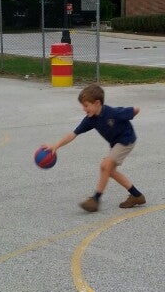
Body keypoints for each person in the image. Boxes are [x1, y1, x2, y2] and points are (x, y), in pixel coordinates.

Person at [44, 83, 146, 213]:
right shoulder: (90, 119)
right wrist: (56, 145)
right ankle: (137, 195)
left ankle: (95, 200)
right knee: (109, 170)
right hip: (115, 144)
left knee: (105, 165)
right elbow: (73, 134)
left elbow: (135, 110)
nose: (83, 109)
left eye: (86, 105)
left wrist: (129, 116)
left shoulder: (112, 113)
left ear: (97, 103)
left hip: (126, 140)